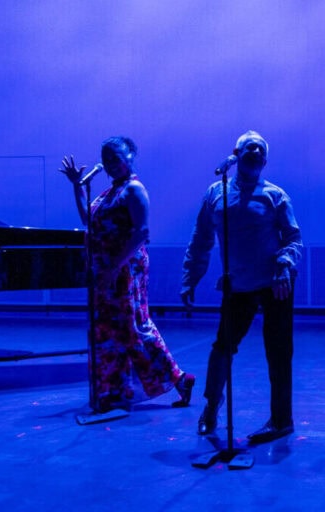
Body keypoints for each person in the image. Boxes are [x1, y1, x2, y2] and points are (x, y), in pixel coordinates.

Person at [181, 130, 302, 444]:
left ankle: (281, 419)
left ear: (265, 160)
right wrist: (190, 278)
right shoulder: (216, 193)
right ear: (235, 154)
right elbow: (201, 240)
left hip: (275, 283)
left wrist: (284, 265)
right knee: (223, 347)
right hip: (238, 284)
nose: (256, 153)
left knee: (278, 352)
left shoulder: (275, 195)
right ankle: (211, 406)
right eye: (250, 147)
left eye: (261, 150)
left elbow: (293, 239)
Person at [60, 136, 194, 414]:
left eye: (116, 156)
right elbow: (88, 220)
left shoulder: (133, 190)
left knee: (134, 328)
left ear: (131, 155)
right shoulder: (109, 193)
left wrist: (113, 269)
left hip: (124, 271)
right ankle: (113, 391)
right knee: (108, 332)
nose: (111, 162)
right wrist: (76, 187)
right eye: (107, 158)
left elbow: (142, 233)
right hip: (105, 272)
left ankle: (179, 378)